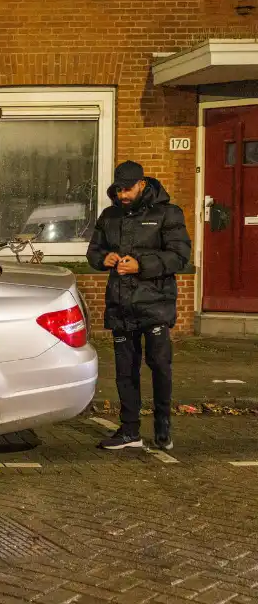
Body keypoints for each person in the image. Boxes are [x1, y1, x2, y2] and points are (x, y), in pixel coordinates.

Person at [86, 161, 191, 451]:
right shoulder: (109, 215)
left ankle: (162, 428)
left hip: (155, 304)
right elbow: (93, 251)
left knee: (159, 366)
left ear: (142, 183)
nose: (122, 195)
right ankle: (129, 431)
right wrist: (102, 258)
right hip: (120, 304)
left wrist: (141, 265)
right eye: (119, 189)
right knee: (124, 371)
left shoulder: (168, 213)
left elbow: (180, 256)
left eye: (128, 189)